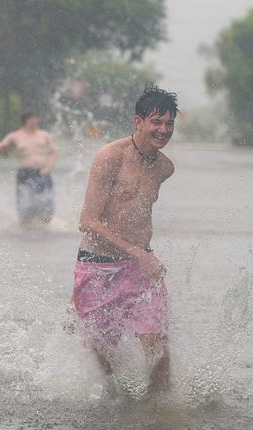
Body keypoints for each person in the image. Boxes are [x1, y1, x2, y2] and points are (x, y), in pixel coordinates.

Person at [72, 86, 178, 397]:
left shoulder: (165, 167)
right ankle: (117, 409)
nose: (163, 130)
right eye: (156, 122)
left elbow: (136, 216)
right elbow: (88, 222)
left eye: (169, 124)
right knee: (104, 358)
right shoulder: (110, 157)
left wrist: (141, 256)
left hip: (140, 268)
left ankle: (158, 414)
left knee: (158, 346)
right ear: (138, 121)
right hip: (97, 269)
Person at [0, 112, 58, 225]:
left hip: (43, 173)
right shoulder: (14, 136)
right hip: (25, 173)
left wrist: (49, 167)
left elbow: (54, 153)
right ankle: (26, 234)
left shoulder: (44, 135)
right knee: (25, 210)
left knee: (47, 211)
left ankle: (44, 234)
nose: (38, 121)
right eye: (35, 118)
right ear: (27, 120)